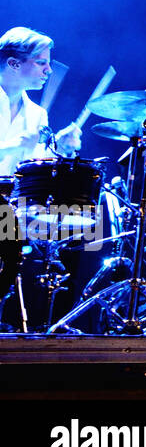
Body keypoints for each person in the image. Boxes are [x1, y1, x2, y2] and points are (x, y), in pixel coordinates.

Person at [0, 27, 82, 320]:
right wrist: (10, 146)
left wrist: (62, 150)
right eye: (41, 62)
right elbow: (14, 151)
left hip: (9, 205)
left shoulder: (37, 114)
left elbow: (35, 170)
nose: (48, 69)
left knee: (75, 226)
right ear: (13, 63)